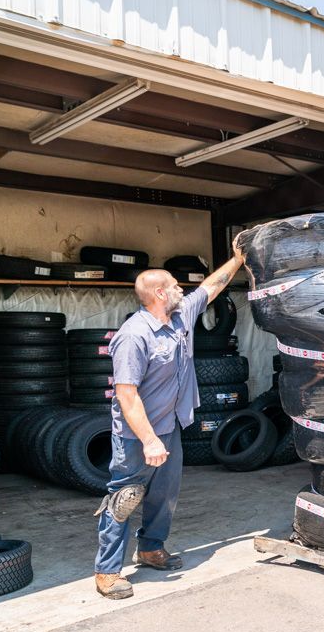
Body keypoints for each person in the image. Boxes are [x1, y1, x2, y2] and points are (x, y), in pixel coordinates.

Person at [94, 242, 245, 599]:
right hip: (136, 435)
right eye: (176, 286)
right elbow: (126, 396)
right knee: (126, 496)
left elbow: (211, 287)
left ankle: (150, 548)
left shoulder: (178, 318)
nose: (183, 290)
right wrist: (148, 440)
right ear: (160, 293)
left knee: (164, 495)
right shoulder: (134, 336)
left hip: (170, 427)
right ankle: (107, 571)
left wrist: (238, 259)